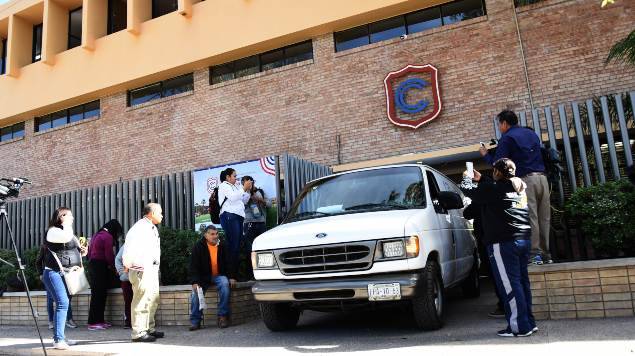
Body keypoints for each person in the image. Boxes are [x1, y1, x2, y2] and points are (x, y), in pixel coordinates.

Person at [468, 158, 536, 337]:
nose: (492, 173)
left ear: (497, 172)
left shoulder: (494, 189)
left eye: (493, 171)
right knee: (522, 283)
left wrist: (468, 179)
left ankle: (519, 327)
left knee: (510, 286)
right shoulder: (518, 187)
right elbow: (494, 191)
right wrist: (482, 179)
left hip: (503, 243)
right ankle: (528, 321)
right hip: (523, 240)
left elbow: (471, 193)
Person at [480, 110, 552, 265]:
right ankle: (546, 254)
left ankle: (534, 255)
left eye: (500, 124)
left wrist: (486, 154)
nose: (499, 128)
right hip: (542, 179)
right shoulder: (531, 134)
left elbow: (499, 163)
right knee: (544, 218)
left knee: (530, 217)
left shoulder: (507, 138)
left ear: (505, 123)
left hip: (526, 181)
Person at [41, 207, 87, 350]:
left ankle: (60, 337)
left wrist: (82, 252)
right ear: (61, 217)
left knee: (63, 304)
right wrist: (66, 224)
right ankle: (58, 340)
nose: (72, 218)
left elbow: (70, 249)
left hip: (67, 274)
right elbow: (66, 238)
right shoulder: (53, 231)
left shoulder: (67, 232)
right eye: (70, 216)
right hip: (54, 273)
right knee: (62, 303)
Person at [122, 203, 164, 342]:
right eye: (160, 212)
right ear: (151, 213)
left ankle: (149, 328)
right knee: (141, 299)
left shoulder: (150, 227)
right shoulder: (140, 227)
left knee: (152, 298)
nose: (162, 215)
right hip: (141, 268)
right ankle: (138, 332)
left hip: (150, 269)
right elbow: (129, 246)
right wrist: (128, 264)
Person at [188, 225, 237, 330]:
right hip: (203, 277)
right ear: (206, 235)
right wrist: (194, 282)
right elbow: (193, 266)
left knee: (224, 284)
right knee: (195, 293)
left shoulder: (223, 245)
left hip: (219, 276)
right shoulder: (198, 247)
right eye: (212, 234)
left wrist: (231, 277)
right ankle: (195, 321)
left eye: (216, 234)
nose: (215, 236)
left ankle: (222, 316)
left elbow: (230, 262)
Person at [87, 219, 123, 330]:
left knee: (98, 294)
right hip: (100, 266)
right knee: (99, 295)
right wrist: (114, 267)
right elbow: (109, 255)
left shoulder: (97, 235)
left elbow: (89, 253)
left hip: (93, 265)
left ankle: (99, 321)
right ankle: (93, 323)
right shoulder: (107, 237)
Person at [35, 243, 77, 330]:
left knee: (66, 297)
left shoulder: (64, 244)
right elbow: (38, 261)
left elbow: (69, 258)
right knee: (50, 298)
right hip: (50, 273)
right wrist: (40, 274)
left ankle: (68, 319)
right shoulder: (45, 246)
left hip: (64, 274)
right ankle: (51, 321)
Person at [218, 168, 251, 275]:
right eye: (234, 176)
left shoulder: (235, 186)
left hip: (238, 217)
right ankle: (231, 275)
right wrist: (243, 188)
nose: (236, 178)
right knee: (233, 246)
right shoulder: (224, 185)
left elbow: (243, 200)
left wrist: (247, 189)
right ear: (228, 177)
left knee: (237, 246)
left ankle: (234, 274)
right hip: (230, 216)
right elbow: (232, 198)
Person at [242, 176, 269, 279]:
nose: (249, 185)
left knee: (263, 248)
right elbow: (242, 203)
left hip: (261, 223)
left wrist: (261, 200)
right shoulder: (242, 194)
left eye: (250, 183)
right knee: (249, 249)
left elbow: (270, 204)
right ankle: (250, 275)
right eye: (246, 183)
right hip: (249, 223)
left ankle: (264, 273)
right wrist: (248, 193)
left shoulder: (260, 192)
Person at [114, 243, 133, 329]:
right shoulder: (127, 245)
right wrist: (122, 273)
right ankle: (128, 321)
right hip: (127, 278)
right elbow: (117, 259)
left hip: (139, 277)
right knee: (128, 301)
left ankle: (139, 323)